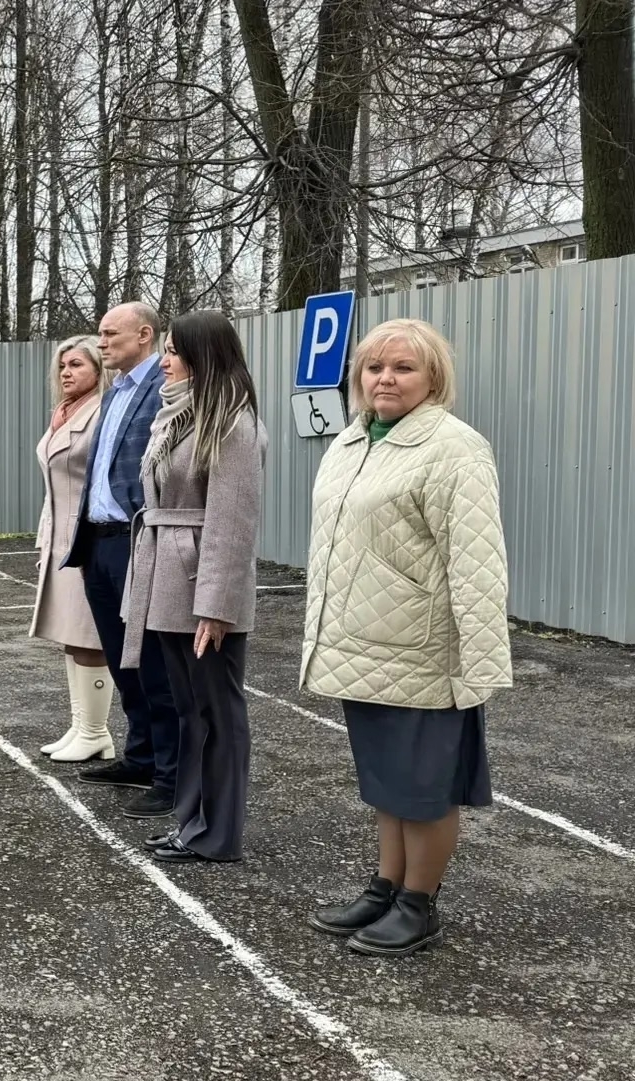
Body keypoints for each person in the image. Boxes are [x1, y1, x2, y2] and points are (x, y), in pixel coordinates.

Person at [304, 319, 511, 956]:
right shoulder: (352, 441)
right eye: (374, 368)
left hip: (420, 648)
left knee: (423, 789)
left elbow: (477, 562)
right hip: (362, 642)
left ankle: (419, 903)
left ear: (433, 378)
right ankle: (386, 886)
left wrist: (480, 662)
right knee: (387, 781)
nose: (385, 379)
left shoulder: (455, 449)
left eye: (403, 368)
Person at [119, 313, 266, 865]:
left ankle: (217, 832)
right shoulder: (179, 417)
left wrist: (217, 607)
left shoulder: (232, 424)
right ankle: (192, 822)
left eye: (175, 351)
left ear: (204, 356)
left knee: (216, 712)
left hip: (200, 584)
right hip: (170, 579)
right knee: (190, 710)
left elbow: (233, 523)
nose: (165, 361)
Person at [64, 301, 181, 821]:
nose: (102, 341)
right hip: (100, 542)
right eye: (101, 333)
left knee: (153, 662)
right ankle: (140, 757)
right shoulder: (115, 392)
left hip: (139, 540)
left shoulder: (164, 387)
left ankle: (171, 774)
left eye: (111, 333)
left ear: (144, 335)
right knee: (121, 658)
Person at [30, 336, 115, 762]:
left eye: (77, 364)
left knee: (89, 635)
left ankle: (96, 731)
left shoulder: (103, 412)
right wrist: (44, 539)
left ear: (99, 369)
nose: (66, 372)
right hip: (59, 537)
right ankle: (82, 726)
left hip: (87, 539)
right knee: (70, 634)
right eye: (63, 365)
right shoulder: (64, 412)